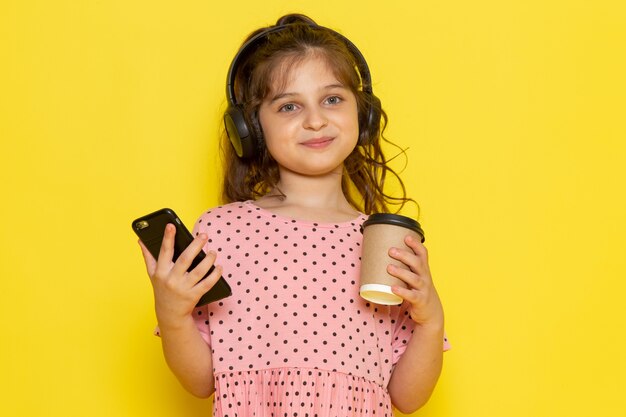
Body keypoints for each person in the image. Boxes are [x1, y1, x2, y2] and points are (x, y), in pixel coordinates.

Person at [139, 13, 450, 417]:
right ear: (250, 128)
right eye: (289, 106)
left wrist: (431, 321)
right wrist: (172, 312)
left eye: (333, 99)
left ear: (365, 114)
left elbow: (409, 397)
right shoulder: (221, 231)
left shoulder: (385, 243)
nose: (316, 120)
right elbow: (200, 382)